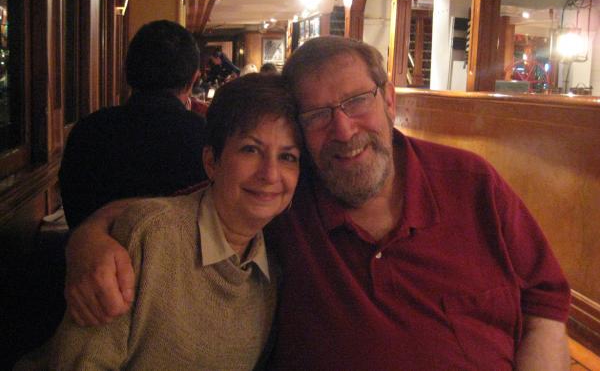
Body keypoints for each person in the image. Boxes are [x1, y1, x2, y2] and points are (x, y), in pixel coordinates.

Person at [64, 36, 571, 370]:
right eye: (318, 115)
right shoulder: (288, 196)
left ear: (389, 100)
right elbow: (183, 211)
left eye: (356, 102)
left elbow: (546, 304)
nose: (343, 130)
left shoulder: (471, 182)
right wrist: (88, 239)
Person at [24, 74, 301, 369]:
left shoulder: (273, 272)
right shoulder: (149, 236)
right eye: (250, 149)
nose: (270, 174)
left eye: (287, 157)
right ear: (211, 162)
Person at [59, 20, 208, 230]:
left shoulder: (87, 131)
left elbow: (76, 216)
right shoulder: (207, 136)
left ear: (127, 72)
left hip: (92, 249)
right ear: (193, 79)